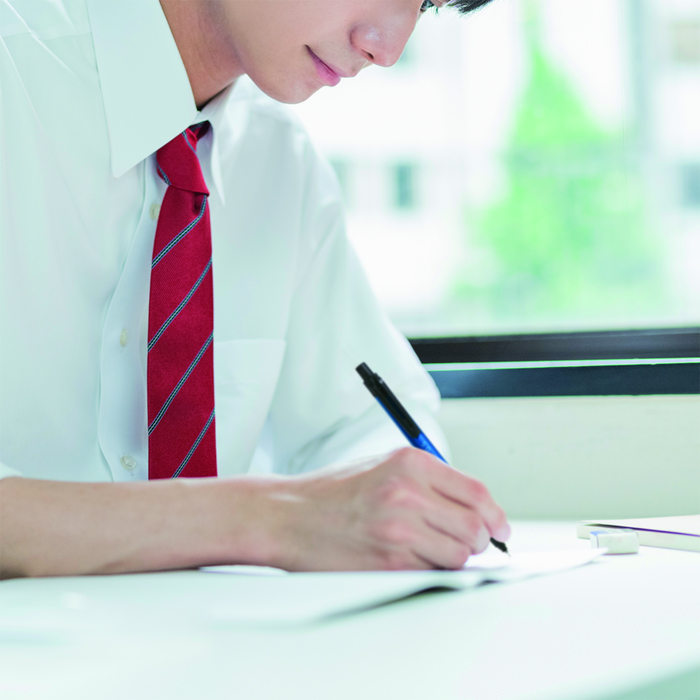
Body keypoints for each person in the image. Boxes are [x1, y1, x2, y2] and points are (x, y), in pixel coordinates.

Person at [0, 0, 510, 579]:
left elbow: (363, 428)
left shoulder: (278, 159)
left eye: (428, 5)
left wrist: (393, 509)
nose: (387, 50)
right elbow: (290, 516)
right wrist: (267, 519)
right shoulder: (13, 76)